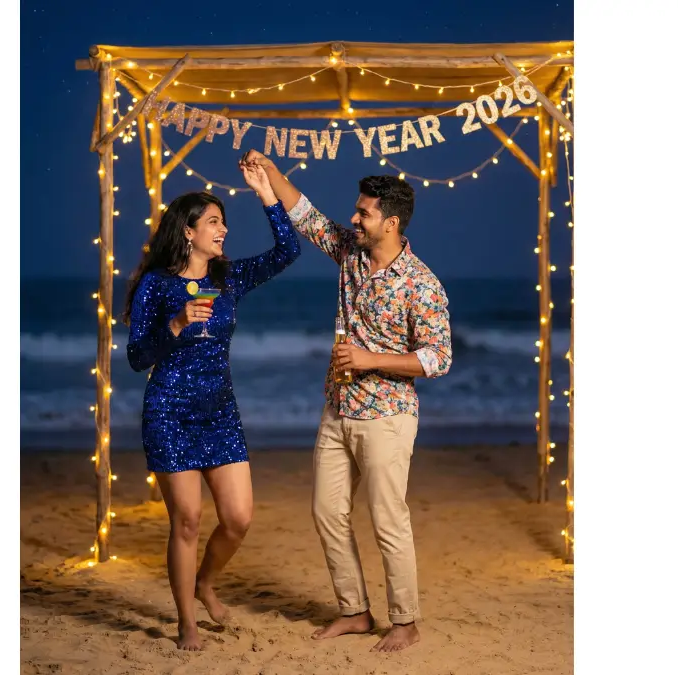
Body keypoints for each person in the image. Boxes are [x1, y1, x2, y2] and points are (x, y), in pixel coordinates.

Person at [239, 149, 452, 653]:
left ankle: (405, 621)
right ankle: (354, 611)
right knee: (326, 510)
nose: (354, 218)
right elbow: (307, 216)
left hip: (387, 416)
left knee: (387, 518)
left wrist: (369, 358)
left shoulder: (422, 285)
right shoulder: (350, 253)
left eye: (364, 213)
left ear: (391, 222)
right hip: (337, 409)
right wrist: (270, 173)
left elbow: (438, 357)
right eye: (356, 210)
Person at [122, 163, 300, 650]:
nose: (224, 230)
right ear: (189, 231)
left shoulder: (228, 277)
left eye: (224, 222)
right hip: (169, 413)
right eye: (214, 223)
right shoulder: (157, 286)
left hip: (220, 412)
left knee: (239, 518)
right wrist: (175, 324)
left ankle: (204, 583)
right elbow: (138, 358)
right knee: (187, 520)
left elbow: (289, 250)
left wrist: (266, 193)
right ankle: (187, 621)